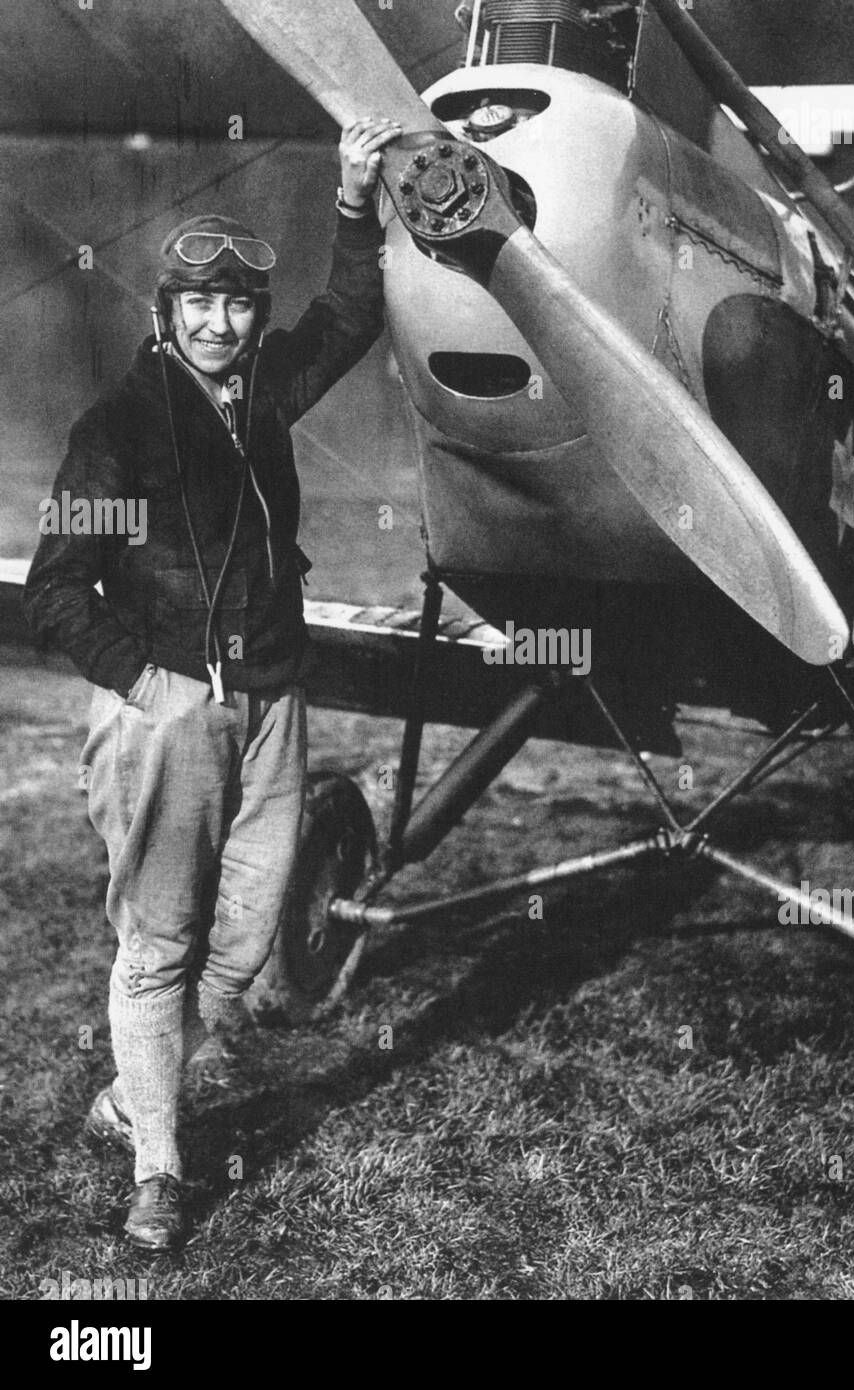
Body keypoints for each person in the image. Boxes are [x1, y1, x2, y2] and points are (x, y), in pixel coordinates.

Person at [23, 116, 403, 1252]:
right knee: (160, 943)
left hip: (273, 700)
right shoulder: (117, 428)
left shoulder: (266, 396)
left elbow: (349, 316)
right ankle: (159, 1171)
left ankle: (131, 1096)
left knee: (243, 946)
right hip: (166, 712)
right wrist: (145, 684)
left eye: (237, 304)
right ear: (165, 314)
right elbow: (54, 590)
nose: (219, 322)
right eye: (198, 304)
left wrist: (349, 200)